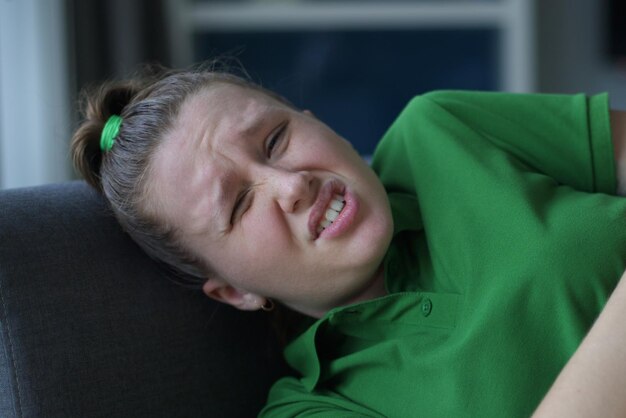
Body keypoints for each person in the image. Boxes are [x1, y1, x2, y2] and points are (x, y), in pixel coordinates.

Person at [71, 62, 626, 417]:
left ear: (316, 119)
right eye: (239, 204)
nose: (291, 184)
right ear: (234, 292)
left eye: (277, 138)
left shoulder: (440, 129)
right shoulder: (316, 410)